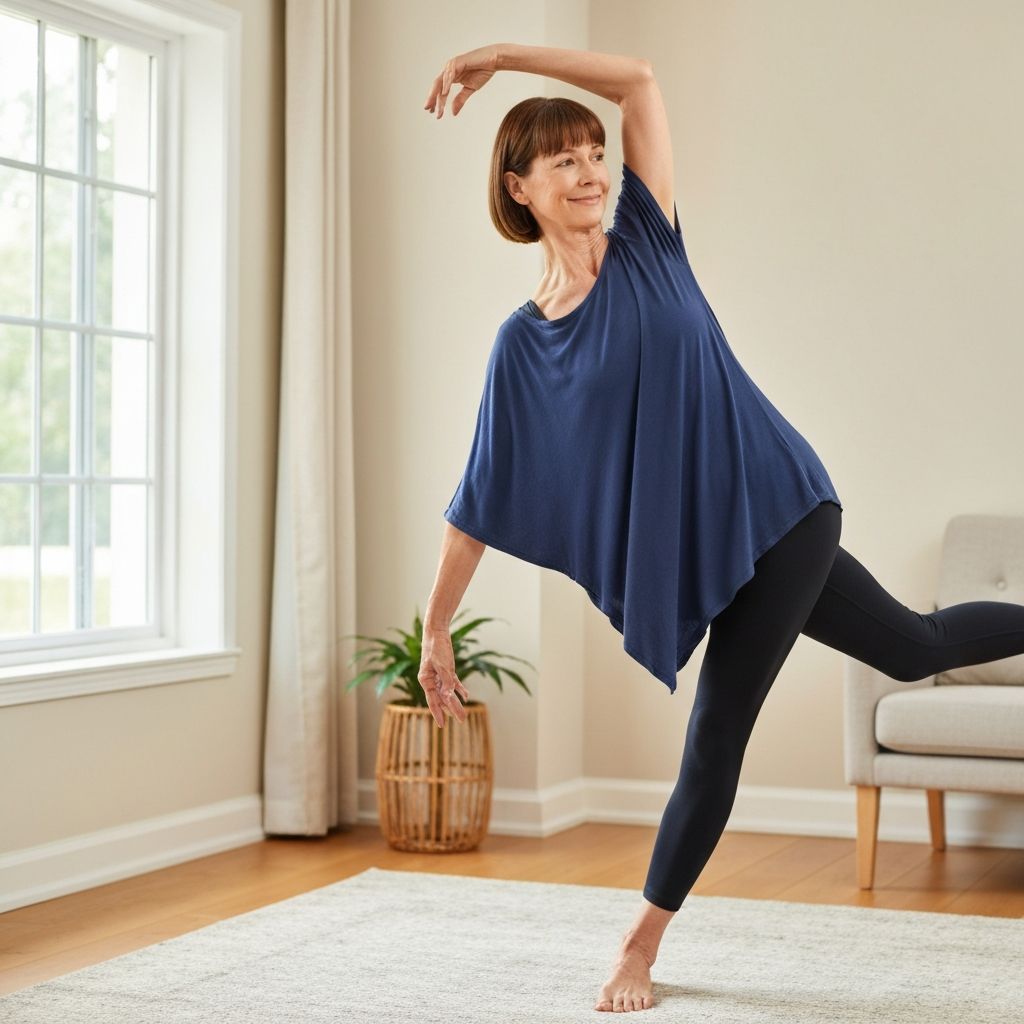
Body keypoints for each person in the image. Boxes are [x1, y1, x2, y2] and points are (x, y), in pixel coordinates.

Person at [417, 44, 1024, 1014]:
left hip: (782, 506)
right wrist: (437, 626)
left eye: (594, 153)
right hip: (715, 548)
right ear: (518, 187)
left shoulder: (647, 239)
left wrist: (501, 56)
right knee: (916, 646)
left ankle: (638, 944)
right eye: (564, 160)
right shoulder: (521, 347)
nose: (590, 171)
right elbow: (476, 498)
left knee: (714, 731)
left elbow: (637, 81)